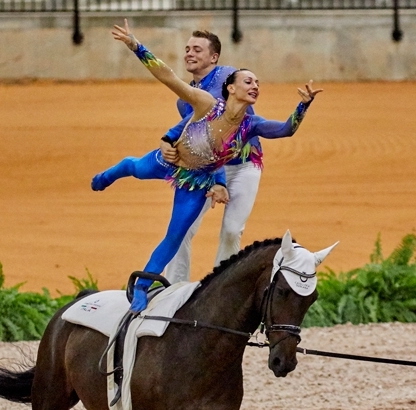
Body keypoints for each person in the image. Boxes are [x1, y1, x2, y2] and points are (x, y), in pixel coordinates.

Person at [92, 20, 322, 313]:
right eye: (248, 82)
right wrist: (135, 45)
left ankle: (154, 288)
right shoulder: (201, 99)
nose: (255, 86)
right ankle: (115, 172)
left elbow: (285, 129)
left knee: (181, 235)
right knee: (134, 167)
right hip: (180, 162)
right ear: (231, 87)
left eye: (257, 83)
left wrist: (303, 106)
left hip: (204, 175)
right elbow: (168, 78)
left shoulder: (247, 118)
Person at [159, 30, 265, 285]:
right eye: (187, 49)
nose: (189, 53)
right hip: (207, 168)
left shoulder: (226, 79)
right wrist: (169, 144)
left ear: (214, 57)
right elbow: (194, 132)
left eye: (197, 49)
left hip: (243, 167)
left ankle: (221, 289)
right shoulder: (184, 101)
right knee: (180, 229)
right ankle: (173, 289)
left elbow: (214, 123)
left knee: (231, 231)